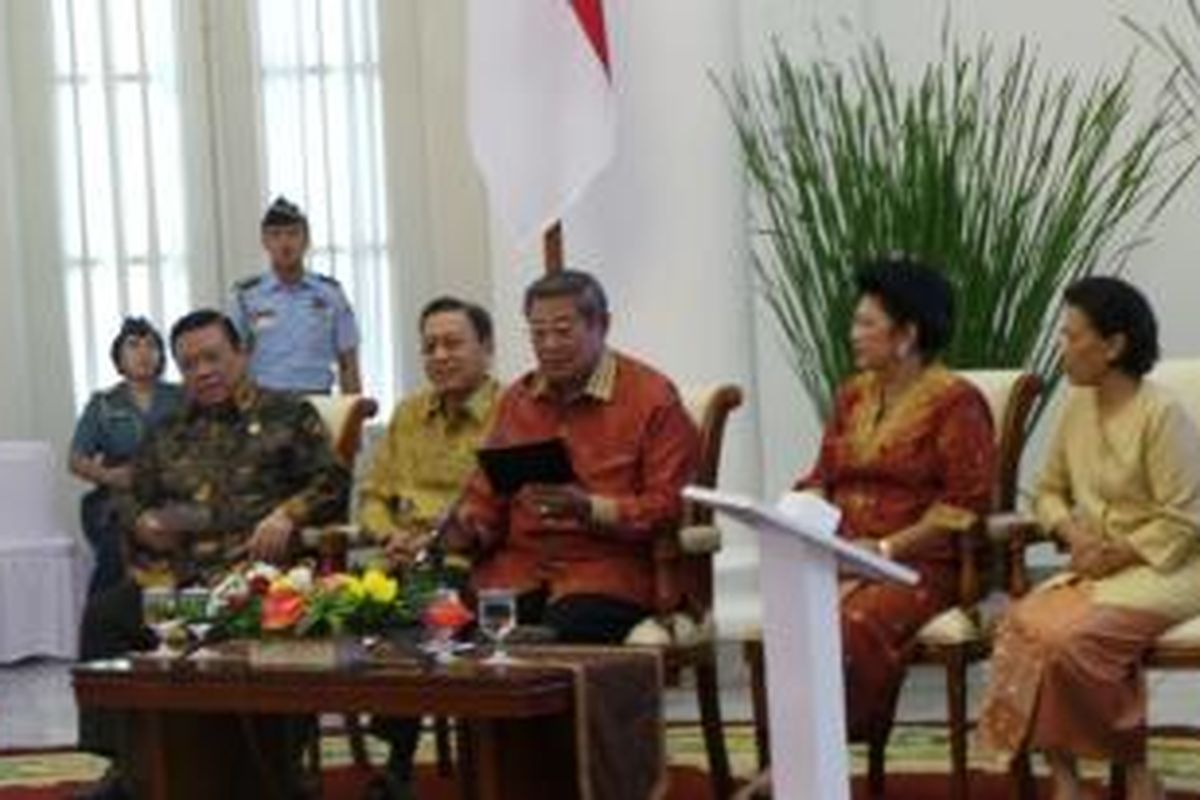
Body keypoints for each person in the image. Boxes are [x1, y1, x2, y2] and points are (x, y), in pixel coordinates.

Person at [74, 309, 350, 800]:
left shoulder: (289, 414)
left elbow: (332, 481)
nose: (202, 371)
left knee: (278, 630)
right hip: (183, 580)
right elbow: (132, 490)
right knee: (105, 615)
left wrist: (288, 513)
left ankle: (273, 773)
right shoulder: (170, 429)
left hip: (262, 581)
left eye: (212, 357)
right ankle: (133, 765)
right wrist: (142, 520)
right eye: (188, 364)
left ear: (241, 354)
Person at [978, 277, 1200, 800]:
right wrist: (1071, 531)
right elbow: (1049, 492)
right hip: (1093, 566)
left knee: (1070, 641)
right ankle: (1067, 781)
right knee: (1020, 628)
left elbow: (1184, 519)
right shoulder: (1077, 407)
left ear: (1114, 345)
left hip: (1166, 570)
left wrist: (1117, 552)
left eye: (1071, 335)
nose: (1061, 347)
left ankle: (1136, 769)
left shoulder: (1160, 413)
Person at [797, 256, 996, 743]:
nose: (853, 333)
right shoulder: (852, 396)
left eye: (867, 323)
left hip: (921, 565)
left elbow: (963, 507)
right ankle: (794, 756)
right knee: (790, 614)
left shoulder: (956, 402)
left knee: (852, 622)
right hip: (845, 556)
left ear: (907, 335)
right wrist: (802, 508)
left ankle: (818, 754)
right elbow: (823, 474)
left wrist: (884, 551)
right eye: (855, 321)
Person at [444, 268, 700, 644]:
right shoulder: (518, 400)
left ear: (603, 325)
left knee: (557, 634)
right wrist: (465, 527)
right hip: (519, 572)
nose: (548, 345)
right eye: (537, 333)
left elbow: (668, 506)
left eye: (563, 331)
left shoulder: (652, 398)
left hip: (607, 574)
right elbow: (485, 497)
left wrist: (590, 508)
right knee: (449, 630)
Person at [356, 296, 500, 800]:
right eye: (430, 346)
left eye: (453, 343)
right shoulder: (410, 412)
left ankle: (394, 767)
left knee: (420, 602)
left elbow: (508, 509)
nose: (440, 355)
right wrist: (387, 534)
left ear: (486, 348)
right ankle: (283, 774)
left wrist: (443, 538)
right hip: (394, 560)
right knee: (312, 611)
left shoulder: (511, 414)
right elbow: (374, 494)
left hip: (468, 564)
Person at [69, 317, 183, 596]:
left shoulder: (182, 397)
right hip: (117, 499)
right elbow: (76, 459)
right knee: (114, 552)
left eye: (152, 346)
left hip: (172, 494)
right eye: (133, 346)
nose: (144, 353)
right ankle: (103, 625)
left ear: (161, 356)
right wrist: (109, 476)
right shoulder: (103, 404)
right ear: (119, 357)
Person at [230, 196, 361, 395]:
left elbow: (348, 361)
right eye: (275, 235)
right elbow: (234, 360)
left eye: (293, 234)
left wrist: (353, 416)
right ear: (265, 241)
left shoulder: (331, 294)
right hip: (266, 400)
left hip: (317, 400)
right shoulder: (247, 296)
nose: (285, 243)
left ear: (306, 240)